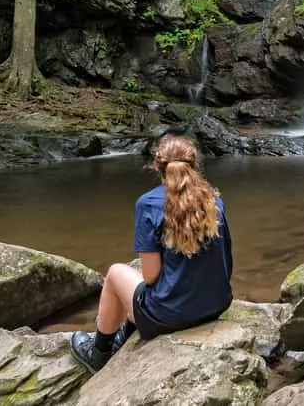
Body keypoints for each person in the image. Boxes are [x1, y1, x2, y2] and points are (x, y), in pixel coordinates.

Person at [70, 133, 233, 372]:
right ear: (195, 164)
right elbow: (225, 260)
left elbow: (150, 277)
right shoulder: (214, 200)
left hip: (169, 317)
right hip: (216, 304)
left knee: (117, 273)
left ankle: (99, 353)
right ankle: (125, 335)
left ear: (157, 166)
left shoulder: (148, 203)